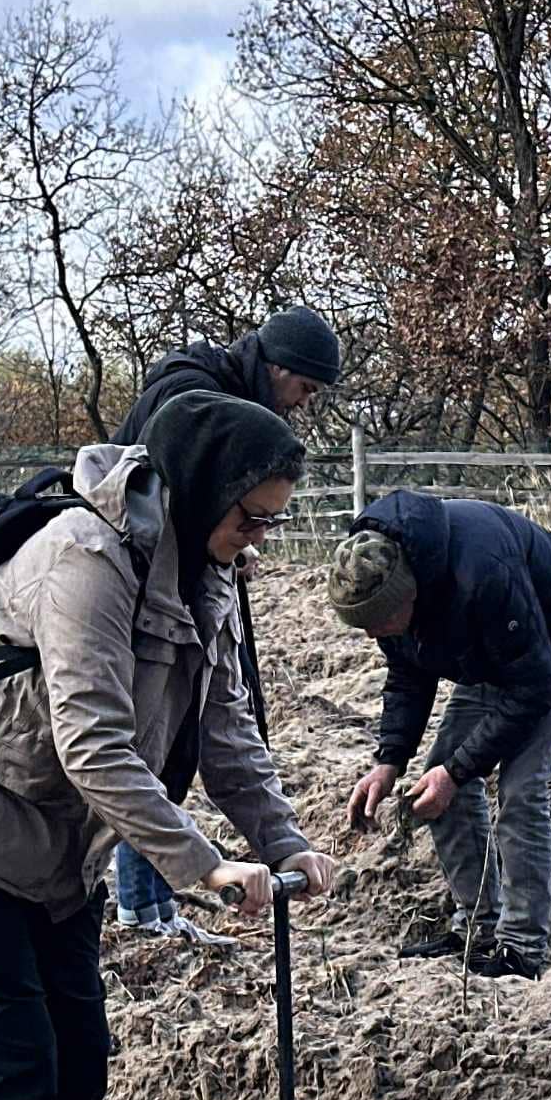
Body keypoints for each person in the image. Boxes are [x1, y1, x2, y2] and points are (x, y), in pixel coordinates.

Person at [0, 391, 339, 1100]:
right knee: (14, 1067)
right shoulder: (85, 559)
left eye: (272, 521)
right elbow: (93, 745)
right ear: (202, 488)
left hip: (55, 847)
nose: (260, 538)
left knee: (80, 1062)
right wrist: (203, 866)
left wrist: (283, 841)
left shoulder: (210, 576)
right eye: (251, 518)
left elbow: (227, 732)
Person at [106, 305, 342, 942]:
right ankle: (140, 908)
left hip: (180, 578)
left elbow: (227, 732)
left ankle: (152, 905)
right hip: (143, 591)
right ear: (278, 367)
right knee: (150, 738)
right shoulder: (194, 396)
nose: (303, 403)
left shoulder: (226, 395)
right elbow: (160, 493)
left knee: (183, 727)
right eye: (304, 387)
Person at [330, 490, 551, 980]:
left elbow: (532, 689)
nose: (373, 636)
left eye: (379, 623)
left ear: (410, 593)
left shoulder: (483, 574)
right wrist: (388, 761)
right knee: (436, 783)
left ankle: (521, 948)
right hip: (491, 652)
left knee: (521, 788)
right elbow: (409, 673)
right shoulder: (385, 589)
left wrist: (459, 770)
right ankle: (478, 928)